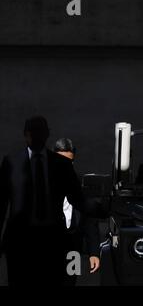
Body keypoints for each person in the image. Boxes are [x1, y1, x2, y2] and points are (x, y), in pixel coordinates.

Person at [0, 116, 86, 286]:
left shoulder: (62, 165)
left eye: (41, 131)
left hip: (52, 242)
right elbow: (1, 204)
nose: (37, 136)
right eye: (33, 132)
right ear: (26, 135)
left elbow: (78, 200)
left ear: (47, 134)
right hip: (20, 243)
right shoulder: (11, 162)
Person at [54, 138, 100, 286]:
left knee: (70, 282)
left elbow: (90, 222)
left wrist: (94, 252)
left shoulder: (82, 186)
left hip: (73, 248)